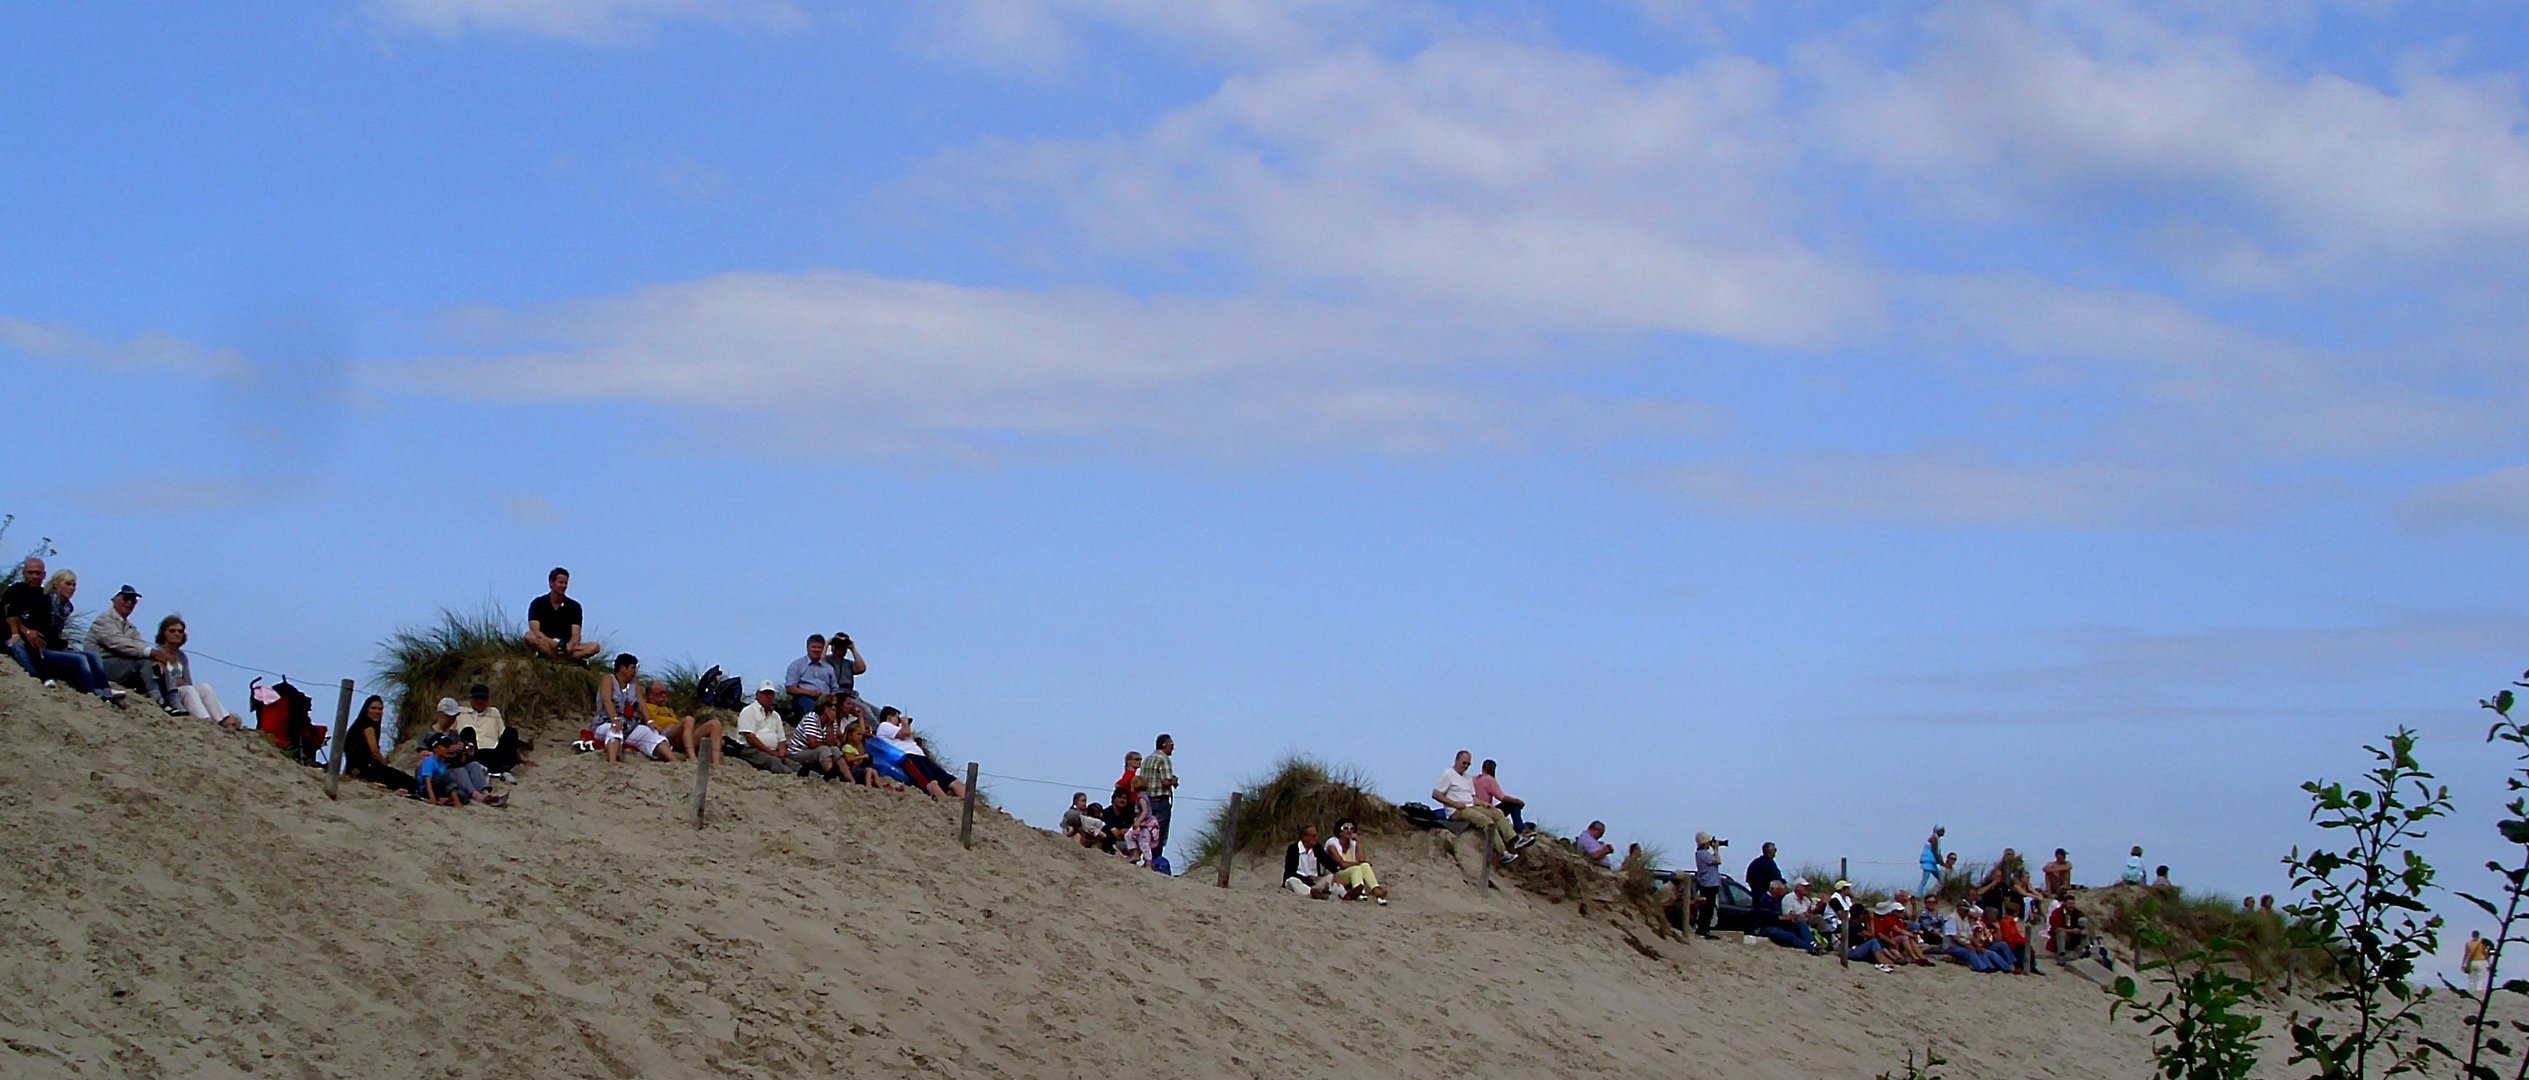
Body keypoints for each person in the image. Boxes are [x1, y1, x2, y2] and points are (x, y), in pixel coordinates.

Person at [3, 559, 119, 700]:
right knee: (79, 659)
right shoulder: (31, 595)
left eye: (73, 585)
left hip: (49, 642)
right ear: (56, 585)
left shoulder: (63, 605)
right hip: (33, 644)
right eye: (67, 584)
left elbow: (54, 630)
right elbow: (12, 613)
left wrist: (62, 642)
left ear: (44, 575)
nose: (34, 576)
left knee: (92, 656)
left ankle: (105, 688)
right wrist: (21, 632)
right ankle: (93, 691)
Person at [86, 584, 180, 713]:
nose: (129, 603)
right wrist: (151, 652)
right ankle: (159, 700)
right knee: (147, 660)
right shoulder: (104, 620)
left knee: (156, 662)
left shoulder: (130, 627)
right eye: (126, 598)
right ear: (115, 599)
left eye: (133, 600)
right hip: (101, 665)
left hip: (123, 666)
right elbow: (118, 643)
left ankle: (171, 699)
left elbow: (139, 645)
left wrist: (156, 657)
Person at [152, 614, 243, 730]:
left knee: (204, 687)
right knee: (188, 690)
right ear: (164, 633)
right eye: (172, 631)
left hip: (183, 689)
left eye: (180, 631)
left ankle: (222, 719)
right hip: (168, 693)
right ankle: (204, 719)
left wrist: (182, 682)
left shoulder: (181, 656)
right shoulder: (157, 653)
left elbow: (188, 680)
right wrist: (174, 682)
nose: (177, 634)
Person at [1431, 750, 1518, 864]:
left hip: (1471, 805)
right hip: (1457, 810)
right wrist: (1454, 804)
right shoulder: (1448, 774)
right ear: (1457, 760)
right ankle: (1503, 853)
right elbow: (1436, 794)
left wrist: (1482, 803)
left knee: (1497, 813)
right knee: (1486, 821)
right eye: (1464, 763)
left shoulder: (1468, 778)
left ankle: (1513, 840)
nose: (1466, 766)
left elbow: (1472, 797)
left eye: (1468, 764)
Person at [592, 654, 674, 762]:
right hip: (605, 723)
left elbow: (641, 704)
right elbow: (607, 700)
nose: (635, 671)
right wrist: (615, 720)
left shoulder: (634, 685)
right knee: (615, 731)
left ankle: (673, 761)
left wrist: (649, 721)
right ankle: (612, 762)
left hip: (629, 726)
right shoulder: (609, 679)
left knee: (650, 733)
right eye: (633, 668)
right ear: (622, 668)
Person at [875, 707, 966, 799]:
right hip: (909, 756)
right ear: (890, 717)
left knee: (951, 781)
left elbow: (910, 738)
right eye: (897, 717)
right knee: (930, 781)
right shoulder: (884, 726)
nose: (899, 721)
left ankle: (972, 804)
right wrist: (904, 723)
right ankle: (946, 803)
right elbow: (905, 733)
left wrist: (905, 725)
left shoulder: (895, 729)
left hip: (921, 756)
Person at [446, 682, 533, 777]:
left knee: (511, 731)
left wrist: (520, 760)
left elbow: (503, 736)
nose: (480, 701)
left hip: (495, 753)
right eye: (476, 698)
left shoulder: (494, 712)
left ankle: (503, 768)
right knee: (468, 731)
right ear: (470, 699)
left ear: (488, 699)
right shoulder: (461, 712)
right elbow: (448, 732)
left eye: (483, 698)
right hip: (474, 754)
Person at [524, 567, 600, 661]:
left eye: (566, 583)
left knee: (594, 647)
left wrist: (569, 647)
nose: (563, 586)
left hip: (567, 647)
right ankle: (559, 658)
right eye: (560, 582)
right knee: (529, 636)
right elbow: (535, 630)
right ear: (551, 583)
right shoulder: (538, 603)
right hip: (547, 643)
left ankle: (556, 657)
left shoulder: (574, 606)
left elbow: (576, 634)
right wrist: (552, 643)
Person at [342, 695, 416, 791]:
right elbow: (374, 751)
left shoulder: (360, 725)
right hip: (364, 770)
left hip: (358, 768)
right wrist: (385, 763)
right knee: (409, 783)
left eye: (380, 709)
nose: (377, 712)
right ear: (366, 710)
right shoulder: (368, 726)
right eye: (373, 708)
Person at [640, 679, 721, 765]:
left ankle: (716, 763)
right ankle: (692, 757)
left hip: (682, 735)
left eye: (665, 693)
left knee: (715, 724)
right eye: (660, 693)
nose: (663, 696)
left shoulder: (667, 709)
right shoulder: (645, 707)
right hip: (666, 734)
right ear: (650, 695)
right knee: (688, 719)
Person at [727, 682, 797, 773]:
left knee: (793, 763)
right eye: (765, 693)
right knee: (774, 762)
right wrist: (771, 752)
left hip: (772, 751)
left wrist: (781, 752)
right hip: (751, 749)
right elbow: (750, 738)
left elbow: (781, 739)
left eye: (771, 694)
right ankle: (790, 775)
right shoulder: (749, 711)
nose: (768, 697)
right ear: (757, 695)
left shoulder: (776, 716)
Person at [1321, 818, 1387, 905]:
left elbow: (1362, 860)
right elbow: (1342, 864)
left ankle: (1375, 888)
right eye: (1345, 828)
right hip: (1335, 876)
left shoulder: (1353, 843)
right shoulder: (1332, 844)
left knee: (1364, 866)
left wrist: (1359, 843)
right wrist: (1359, 863)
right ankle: (1360, 891)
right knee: (1356, 868)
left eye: (1351, 828)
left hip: (1350, 875)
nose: (1349, 831)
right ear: (1339, 831)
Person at [783, 696, 849, 780]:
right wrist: (826, 745)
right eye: (829, 705)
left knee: (834, 750)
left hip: (814, 752)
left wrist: (830, 725)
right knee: (823, 750)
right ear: (822, 706)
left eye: (835, 706)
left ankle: (850, 780)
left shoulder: (832, 722)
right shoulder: (811, 717)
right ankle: (831, 776)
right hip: (797, 752)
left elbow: (831, 744)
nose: (833, 708)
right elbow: (813, 743)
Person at [1139, 733, 1179, 860]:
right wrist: (1174, 781)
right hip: (1160, 799)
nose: (1173, 748)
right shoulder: (1164, 759)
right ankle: (1156, 860)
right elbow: (1165, 782)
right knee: (1159, 833)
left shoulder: (1147, 760)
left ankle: (1147, 858)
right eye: (1171, 745)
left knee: (1147, 832)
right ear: (1164, 745)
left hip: (1147, 800)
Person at [783, 635, 842, 720]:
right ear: (807, 648)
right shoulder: (797, 665)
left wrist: (833, 699)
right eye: (814, 647)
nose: (816, 650)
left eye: (819, 648)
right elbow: (790, 688)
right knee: (812, 712)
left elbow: (835, 688)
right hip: (805, 698)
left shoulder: (828, 668)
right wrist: (810, 693)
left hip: (826, 699)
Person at [1754, 880, 1817, 951]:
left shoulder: (1779, 899)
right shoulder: (1764, 900)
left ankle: (1813, 943)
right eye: (1780, 890)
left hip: (1781, 925)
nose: (1782, 892)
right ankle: (1810, 948)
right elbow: (1764, 915)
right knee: (1789, 936)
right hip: (1766, 927)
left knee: (1800, 925)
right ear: (1773, 889)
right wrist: (1779, 917)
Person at [1472, 758, 1529, 834]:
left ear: (1482, 767)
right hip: (1486, 809)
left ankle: (1520, 826)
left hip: (1475, 809)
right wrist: (1517, 801)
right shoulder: (1489, 780)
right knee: (1513, 805)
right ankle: (1519, 828)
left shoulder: (1474, 779)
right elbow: (1501, 797)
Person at [1284, 823, 1336, 899]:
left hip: (1314, 882)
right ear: (1304, 837)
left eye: (1316, 835)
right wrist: (1309, 879)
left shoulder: (1316, 848)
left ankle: (1344, 894)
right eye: (1313, 836)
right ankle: (1311, 893)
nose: (1316, 838)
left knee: (1331, 877)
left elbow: (1327, 861)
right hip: (1300, 881)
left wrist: (1336, 872)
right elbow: (1290, 873)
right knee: (1292, 881)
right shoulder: (1293, 849)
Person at [1691, 833, 1724, 938]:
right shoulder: (1703, 854)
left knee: (1708, 909)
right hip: (1709, 885)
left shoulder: (1701, 854)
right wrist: (1716, 849)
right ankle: (1703, 930)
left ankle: (1704, 929)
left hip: (1709, 884)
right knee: (1707, 909)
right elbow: (1718, 861)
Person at [1919, 826, 1947, 896]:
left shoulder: (1936, 839)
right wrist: (1941, 862)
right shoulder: (1933, 838)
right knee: (1924, 880)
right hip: (1928, 862)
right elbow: (1935, 852)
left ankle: (1942, 893)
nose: (1943, 833)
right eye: (1942, 831)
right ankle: (1919, 895)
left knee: (1941, 879)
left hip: (1932, 863)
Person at [2466, 930, 2493, 995]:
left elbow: (2466, 954)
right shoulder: (2481, 943)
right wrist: (2489, 962)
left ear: (2472, 935)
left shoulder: (2468, 943)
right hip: (2481, 961)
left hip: (2472, 962)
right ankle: (2478, 990)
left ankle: (2471, 990)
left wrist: (2464, 963)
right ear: (2478, 936)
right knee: (2480, 977)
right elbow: (2484, 953)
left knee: (2471, 978)